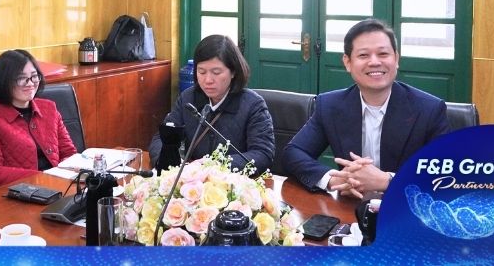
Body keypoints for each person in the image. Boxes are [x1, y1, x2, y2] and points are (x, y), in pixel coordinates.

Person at [282, 19, 450, 198]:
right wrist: (333, 179)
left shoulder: (429, 109)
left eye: (383, 54)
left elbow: (449, 172)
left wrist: (387, 181)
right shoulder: (330, 105)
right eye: (363, 55)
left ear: (396, 59)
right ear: (347, 62)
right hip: (351, 205)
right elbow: (293, 153)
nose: (374, 62)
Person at [149, 35, 275, 175]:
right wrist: (169, 163)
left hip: (233, 183)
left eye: (216, 72)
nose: (208, 80)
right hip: (192, 181)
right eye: (201, 72)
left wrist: (214, 166)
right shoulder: (188, 98)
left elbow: (262, 154)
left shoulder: (253, 105)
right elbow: (161, 138)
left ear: (233, 72)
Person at [0, 49, 77, 189]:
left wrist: (62, 177)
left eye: (34, 76)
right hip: (18, 193)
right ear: (4, 81)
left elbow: (69, 154)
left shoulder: (49, 108)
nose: (30, 83)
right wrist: (44, 178)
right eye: (21, 78)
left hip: (58, 187)